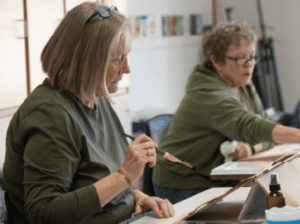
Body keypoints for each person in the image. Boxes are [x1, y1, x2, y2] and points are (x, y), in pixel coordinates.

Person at [3, 2, 174, 224]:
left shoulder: (96, 98)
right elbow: (44, 213)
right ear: (85, 61)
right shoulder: (50, 114)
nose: (126, 69)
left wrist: (135, 197)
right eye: (117, 60)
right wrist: (124, 177)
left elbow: (97, 182)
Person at [152, 21, 300, 204]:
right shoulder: (208, 95)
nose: (249, 65)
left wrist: (252, 148)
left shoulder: (243, 84)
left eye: (252, 56)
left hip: (218, 177)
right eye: (240, 58)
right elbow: (252, 126)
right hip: (183, 182)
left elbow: (264, 134)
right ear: (216, 60)